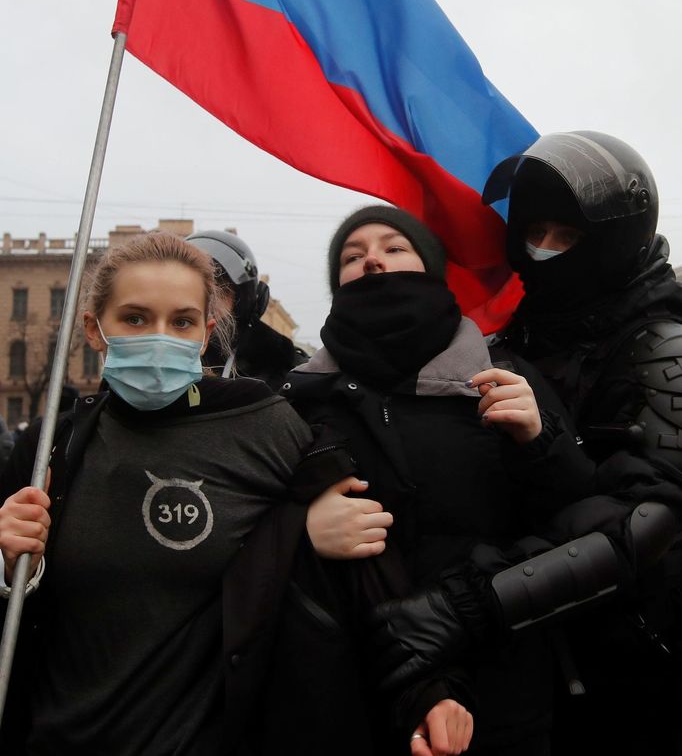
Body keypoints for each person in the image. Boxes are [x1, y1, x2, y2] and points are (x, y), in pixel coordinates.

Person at [0, 230, 470, 756]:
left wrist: (424, 694)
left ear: (205, 335)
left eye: (181, 322)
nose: (161, 338)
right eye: (135, 318)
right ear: (93, 329)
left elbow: (366, 580)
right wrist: (5, 561)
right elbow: (22, 615)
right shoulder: (51, 447)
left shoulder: (262, 424)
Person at [282, 204, 600, 756]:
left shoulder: (504, 375)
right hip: (351, 691)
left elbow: (583, 520)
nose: (372, 260)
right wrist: (298, 530)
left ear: (430, 269)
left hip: (500, 682)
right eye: (352, 257)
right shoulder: (297, 397)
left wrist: (541, 443)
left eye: (394, 247)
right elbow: (245, 537)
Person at [478, 129, 682, 755]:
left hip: (632, 667)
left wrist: (464, 605)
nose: (543, 251)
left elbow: (648, 520)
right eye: (535, 232)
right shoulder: (515, 339)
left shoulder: (661, 346)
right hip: (525, 666)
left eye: (566, 237)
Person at [185, 228, 307, 390]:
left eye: (220, 290)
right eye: (192, 289)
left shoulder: (285, 369)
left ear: (244, 303)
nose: (206, 301)